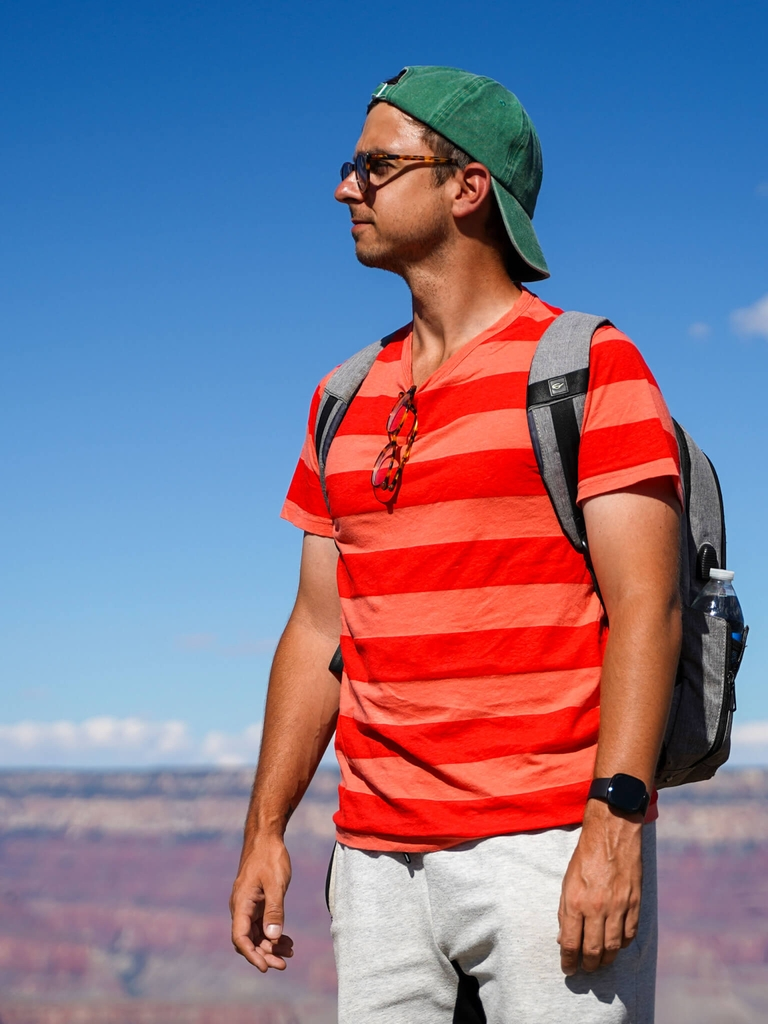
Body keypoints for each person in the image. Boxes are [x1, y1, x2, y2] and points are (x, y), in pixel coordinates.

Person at [230, 66, 682, 1023]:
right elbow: (317, 631)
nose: (345, 187)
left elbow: (651, 605)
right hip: (377, 864)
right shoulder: (340, 397)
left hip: (545, 846)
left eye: (375, 165)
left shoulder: (589, 365)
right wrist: (266, 829)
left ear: (466, 187)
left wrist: (615, 823)